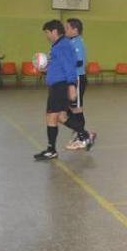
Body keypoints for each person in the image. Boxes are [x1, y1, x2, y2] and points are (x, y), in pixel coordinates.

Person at [33, 20, 89, 161]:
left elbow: (69, 66)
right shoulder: (57, 45)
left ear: (53, 31)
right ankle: (85, 135)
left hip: (60, 86)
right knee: (61, 117)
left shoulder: (62, 46)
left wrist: (71, 85)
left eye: (47, 32)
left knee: (51, 117)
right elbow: (59, 65)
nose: (46, 35)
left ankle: (51, 150)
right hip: (57, 85)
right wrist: (45, 69)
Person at [63, 18, 96, 151]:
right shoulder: (71, 42)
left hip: (77, 78)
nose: (65, 30)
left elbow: (79, 62)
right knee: (70, 109)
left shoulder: (77, 43)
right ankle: (81, 133)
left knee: (76, 108)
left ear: (75, 30)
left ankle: (83, 137)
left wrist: (63, 63)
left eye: (67, 28)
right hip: (71, 78)